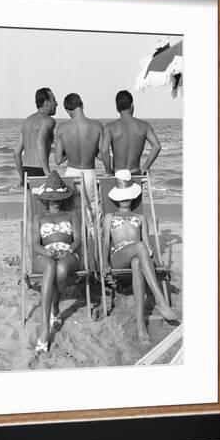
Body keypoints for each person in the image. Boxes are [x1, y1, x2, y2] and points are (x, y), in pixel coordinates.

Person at [102, 170, 177, 342]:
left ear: (133, 196)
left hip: (138, 255)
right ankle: (160, 300)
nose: (124, 198)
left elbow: (148, 246)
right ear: (116, 198)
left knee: (137, 262)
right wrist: (105, 262)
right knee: (140, 247)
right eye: (121, 195)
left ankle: (141, 326)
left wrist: (157, 263)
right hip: (118, 258)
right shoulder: (109, 217)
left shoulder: (140, 217)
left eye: (127, 195)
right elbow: (106, 242)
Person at [32, 171, 81, 353]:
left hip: (67, 253)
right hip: (45, 254)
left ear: (63, 198)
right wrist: (46, 251)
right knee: (51, 266)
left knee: (61, 270)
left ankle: (55, 306)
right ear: (45, 199)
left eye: (58, 197)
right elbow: (35, 244)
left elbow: (77, 240)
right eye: (51, 197)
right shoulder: (38, 218)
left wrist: (67, 249)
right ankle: (45, 327)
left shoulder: (71, 215)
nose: (55, 200)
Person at [101, 90, 161, 207]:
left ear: (117, 108)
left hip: (117, 175)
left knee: (115, 211)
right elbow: (157, 146)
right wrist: (145, 167)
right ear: (132, 105)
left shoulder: (110, 127)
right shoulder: (144, 125)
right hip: (135, 174)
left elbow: (104, 150)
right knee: (135, 211)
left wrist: (108, 171)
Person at [54, 93, 103, 219]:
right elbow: (102, 155)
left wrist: (69, 153)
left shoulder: (62, 128)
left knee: (72, 212)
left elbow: (58, 160)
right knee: (93, 211)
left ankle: (77, 237)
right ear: (82, 105)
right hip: (89, 173)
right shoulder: (97, 126)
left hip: (71, 173)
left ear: (68, 110)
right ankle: (95, 238)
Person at [14, 87, 57, 186]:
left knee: (30, 201)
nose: (56, 103)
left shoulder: (27, 121)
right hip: (40, 171)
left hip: (26, 171)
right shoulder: (49, 121)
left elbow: (16, 153)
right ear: (46, 103)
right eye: (53, 100)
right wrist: (47, 173)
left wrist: (22, 178)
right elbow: (39, 142)